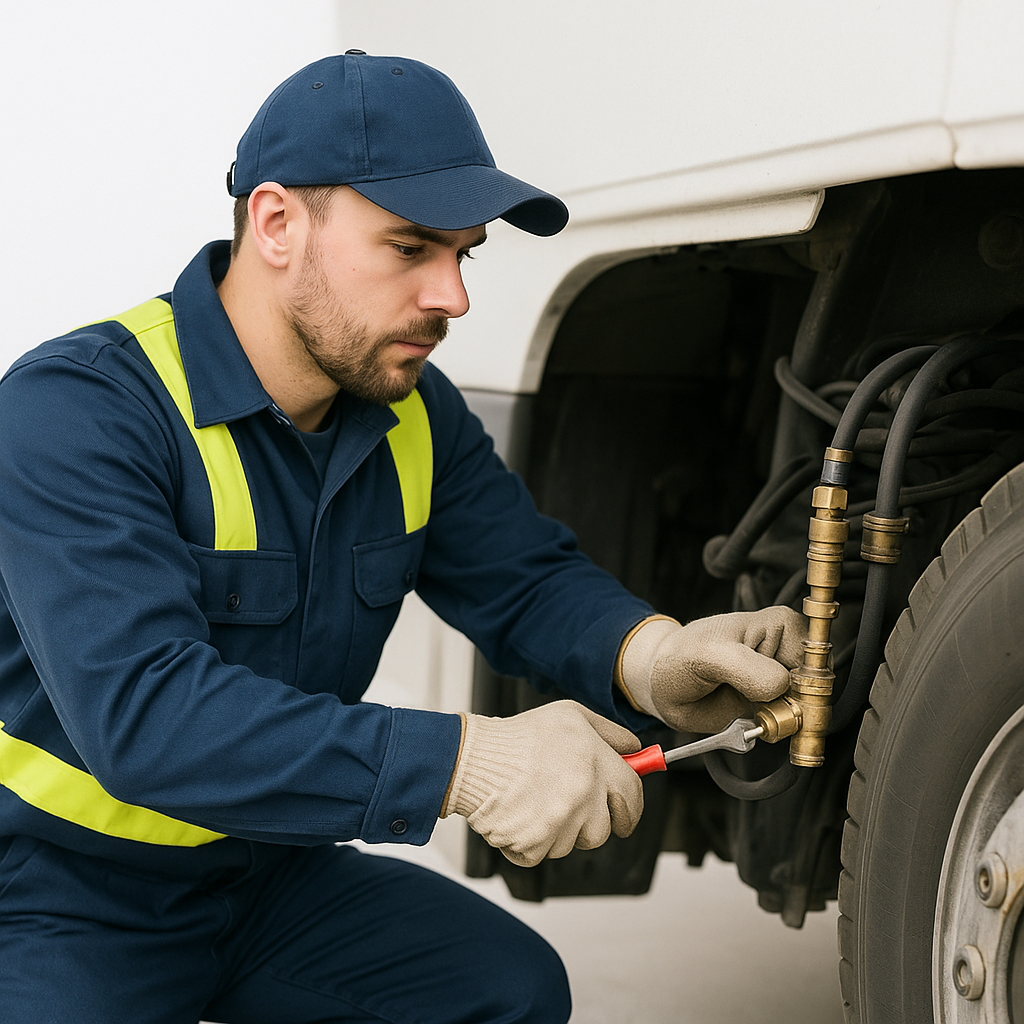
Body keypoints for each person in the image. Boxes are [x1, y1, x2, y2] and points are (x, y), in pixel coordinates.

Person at [0, 52, 804, 1023]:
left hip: (262, 877)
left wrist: (657, 653)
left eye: (463, 254)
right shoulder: (79, 412)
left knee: (505, 991)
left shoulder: (412, 414)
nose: (452, 297)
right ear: (277, 223)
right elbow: (147, 719)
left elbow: (523, 579)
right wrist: (468, 763)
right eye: (411, 247)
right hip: (57, 895)